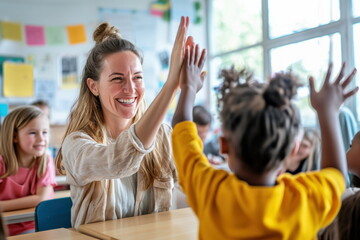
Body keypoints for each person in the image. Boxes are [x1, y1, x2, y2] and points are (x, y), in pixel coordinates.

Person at [171, 59, 358, 239]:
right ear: (293, 150)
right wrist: (328, 111)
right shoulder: (306, 198)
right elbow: (336, 175)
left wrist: (189, 88)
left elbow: (181, 126)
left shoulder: (208, 188)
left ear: (224, 145)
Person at [55, 17, 197, 229]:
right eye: (117, 79)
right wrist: (171, 87)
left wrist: (189, 89)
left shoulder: (162, 135)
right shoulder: (76, 144)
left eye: (137, 77)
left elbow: (193, 183)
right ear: (93, 87)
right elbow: (120, 161)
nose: (130, 89)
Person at [0, 106, 56, 236]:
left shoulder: (45, 161)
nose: (41, 139)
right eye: (33, 133)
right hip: (3, 229)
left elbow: (41, 198)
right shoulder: (2, 163)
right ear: (14, 136)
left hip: (34, 227)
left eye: (45, 132)